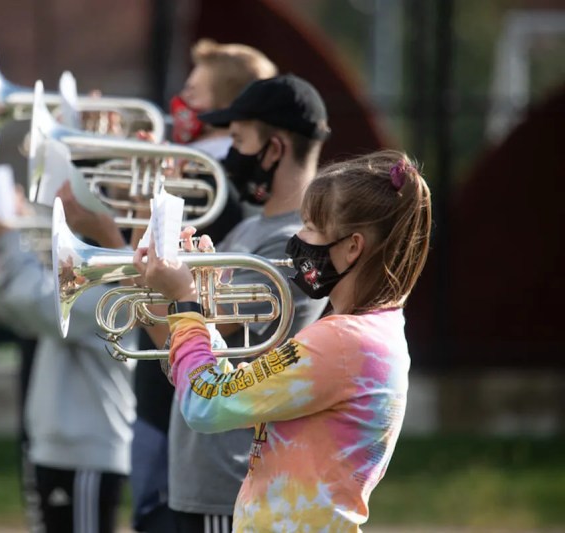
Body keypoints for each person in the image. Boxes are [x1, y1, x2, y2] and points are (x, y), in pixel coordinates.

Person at [69, 73, 331, 533]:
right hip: (200, 471)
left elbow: (181, 340)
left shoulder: (289, 248)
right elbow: (165, 321)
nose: (230, 152)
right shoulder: (252, 229)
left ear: (275, 149)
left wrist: (108, 234)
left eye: (238, 139)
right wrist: (142, 214)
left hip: (226, 476)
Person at [133, 149, 433, 531]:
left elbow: (205, 407)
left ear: (352, 247)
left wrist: (186, 303)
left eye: (310, 227)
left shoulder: (341, 342)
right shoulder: (368, 333)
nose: (297, 238)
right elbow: (231, 395)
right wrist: (201, 317)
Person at [130, 39, 277, 533]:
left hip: (186, 393)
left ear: (223, 107)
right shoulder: (196, 173)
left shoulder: (214, 190)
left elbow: (189, 306)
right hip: (174, 389)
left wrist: (137, 221)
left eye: (193, 90)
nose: (180, 102)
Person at [0, 189, 136, 533]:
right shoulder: (95, 276)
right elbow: (18, 310)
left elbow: (40, 306)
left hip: (87, 452)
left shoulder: (114, 288)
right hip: (60, 447)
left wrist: (7, 238)